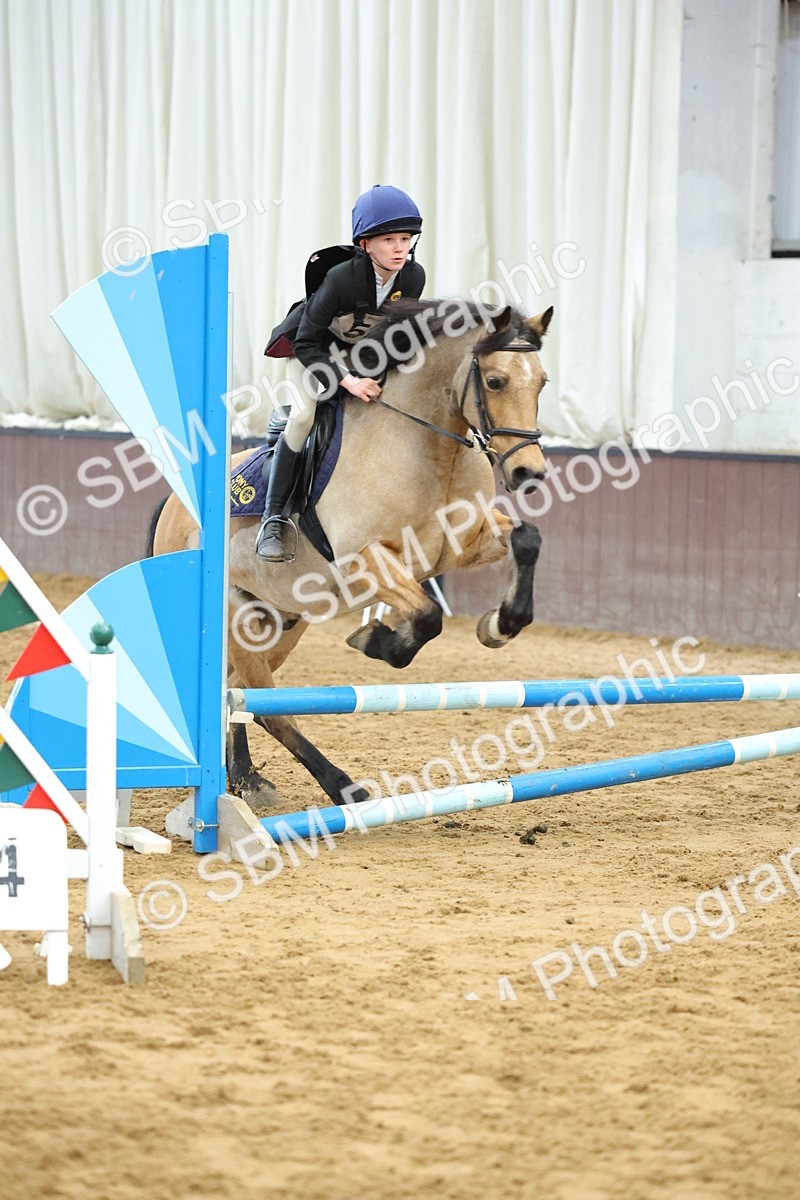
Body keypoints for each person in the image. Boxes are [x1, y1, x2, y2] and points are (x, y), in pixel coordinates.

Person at [256, 184, 426, 561]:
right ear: (365, 244)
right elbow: (306, 342)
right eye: (388, 240)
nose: (400, 248)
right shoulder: (341, 279)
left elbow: (398, 336)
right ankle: (274, 518)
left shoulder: (413, 277)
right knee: (304, 416)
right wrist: (347, 380)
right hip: (310, 349)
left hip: (358, 353)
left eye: (405, 239)